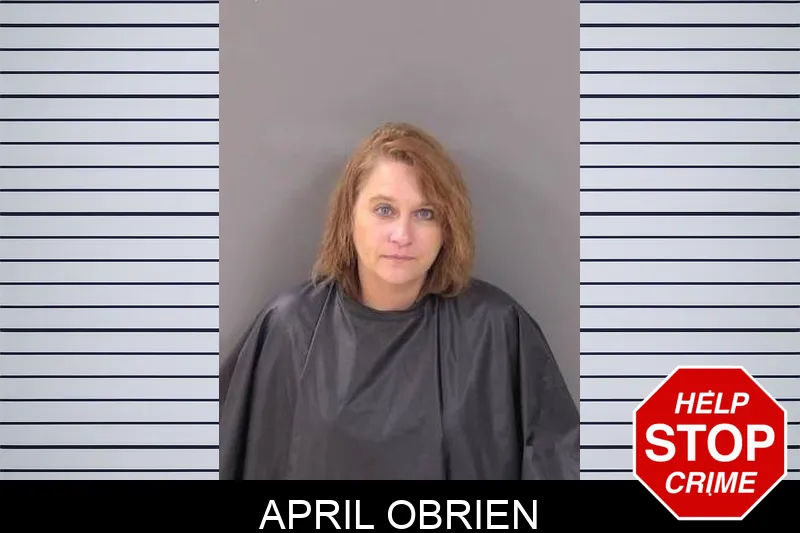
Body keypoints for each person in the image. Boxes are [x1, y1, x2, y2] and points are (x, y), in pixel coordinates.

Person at [219, 121, 579, 480]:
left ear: (447, 228)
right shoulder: (290, 328)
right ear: (349, 216)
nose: (402, 235)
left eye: (425, 214)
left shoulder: (496, 330)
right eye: (384, 210)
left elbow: (558, 461)